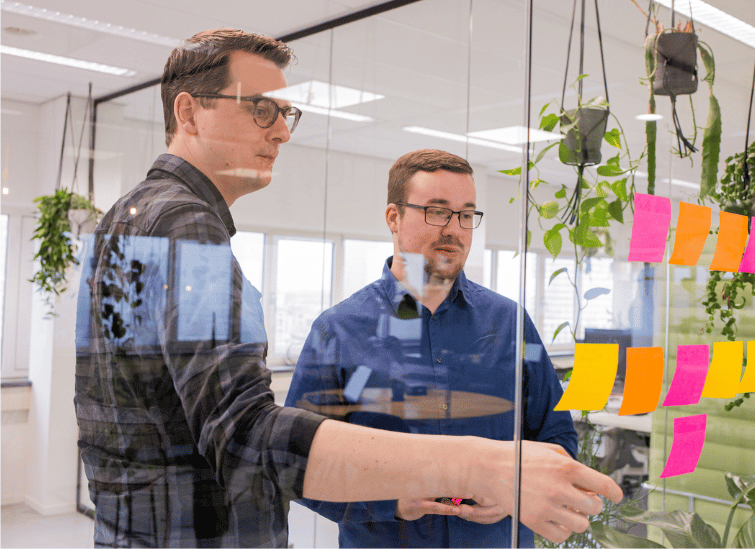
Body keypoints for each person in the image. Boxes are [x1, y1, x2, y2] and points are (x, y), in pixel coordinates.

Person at [74, 29, 622, 548]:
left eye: (286, 113)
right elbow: (245, 437)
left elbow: (158, 428)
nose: (282, 131)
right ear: (189, 111)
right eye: (261, 108)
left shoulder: (136, 218)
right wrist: (475, 468)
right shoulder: (185, 227)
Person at [285, 149, 579, 547]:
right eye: (437, 212)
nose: (454, 229)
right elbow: (296, 463)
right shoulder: (338, 330)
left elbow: (557, 438)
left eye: (465, 215)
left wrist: (515, 491)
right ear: (393, 217)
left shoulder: (509, 322)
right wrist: (390, 501)